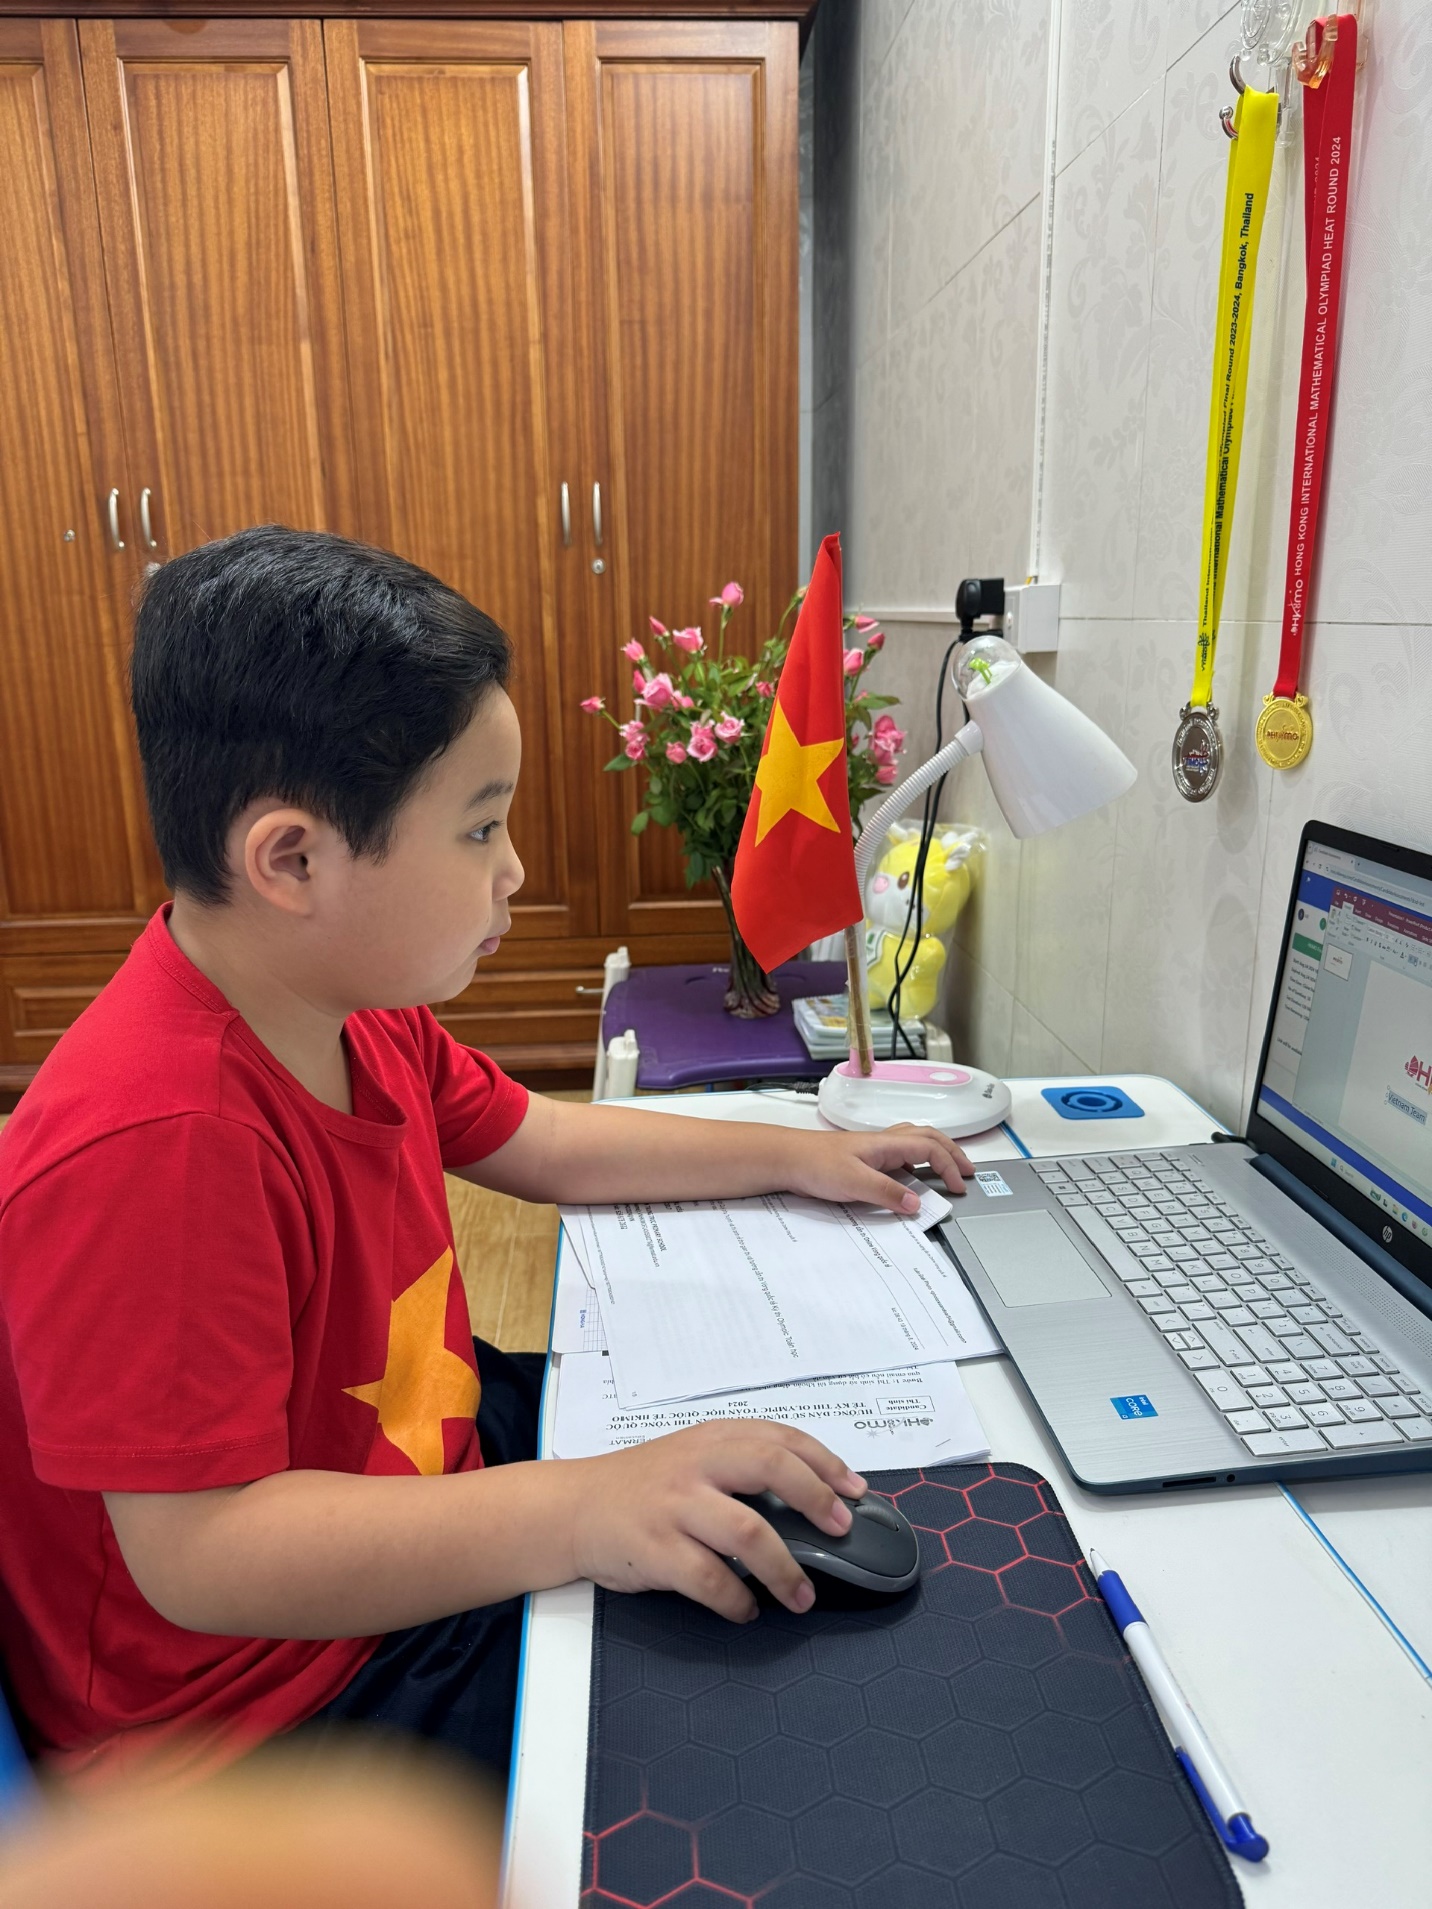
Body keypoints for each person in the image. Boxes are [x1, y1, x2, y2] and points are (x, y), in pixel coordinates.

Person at [0, 528, 970, 1788]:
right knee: (735, 1750)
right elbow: (204, 1555)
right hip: (256, 1719)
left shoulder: (348, 1001)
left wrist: (789, 1157)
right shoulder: (159, 1140)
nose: (514, 871)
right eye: (478, 831)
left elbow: (543, 1135)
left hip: (407, 1477)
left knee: (729, 1496)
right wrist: (580, 1508)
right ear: (291, 859)